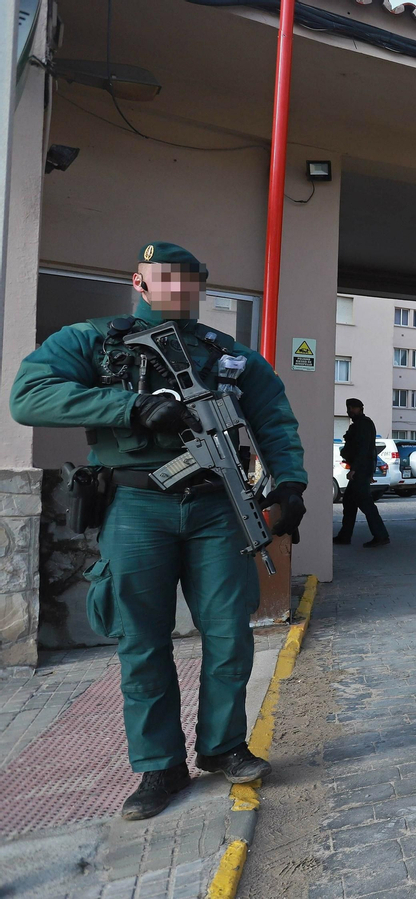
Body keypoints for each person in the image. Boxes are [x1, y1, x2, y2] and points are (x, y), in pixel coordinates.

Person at [10, 241, 307, 821]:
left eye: (188, 279)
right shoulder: (93, 339)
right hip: (136, 505)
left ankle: (223, 747)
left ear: (199, 287)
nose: (177, 287)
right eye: (164, 277)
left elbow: (274, 418)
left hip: (217, 507)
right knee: (141, 642)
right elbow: (29, 396)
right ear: (139, 282)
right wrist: (131, 407)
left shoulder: (228, 355)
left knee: (229, 633)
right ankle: (158, 766)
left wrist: (290, 486)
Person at [334, 398, 389, 547]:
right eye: (348, 408)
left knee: (366, 504)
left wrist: (355, 469)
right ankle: (345, 536)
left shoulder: (362, 425)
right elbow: (369, 449)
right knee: (350, 502)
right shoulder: (363, 424)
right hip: (362, 469)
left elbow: (364, 449)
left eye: (351, 408)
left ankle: (381, 535)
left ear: (360, 408)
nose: (349, 411)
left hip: (360, 470)